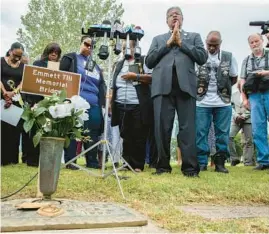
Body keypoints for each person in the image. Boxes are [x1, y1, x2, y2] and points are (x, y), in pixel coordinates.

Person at [145, 6, 207, 176]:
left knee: (187, 129)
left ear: (182, 18)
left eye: (177, 14)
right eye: (171, 15)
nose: (174, 16)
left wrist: (181, 43)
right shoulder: (158, 39)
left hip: (185, 88)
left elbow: (202, 57)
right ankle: (162, 167)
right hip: (162, 89)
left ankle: (190, 168)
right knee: (162, 129)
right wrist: (168, 44)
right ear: (166, 21)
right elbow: (149, 61)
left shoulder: (194, 37)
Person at [60, 36, 106, 170]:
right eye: (86, 44)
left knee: (92, 131)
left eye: (92, 46)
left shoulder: (96, 66)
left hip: (94, 103)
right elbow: (62, 77)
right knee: (73, 130)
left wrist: (103, 103)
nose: (88, 48)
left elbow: (101, 85)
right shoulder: (70, 58)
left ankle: (92, 161)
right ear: (80, 44)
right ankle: (71, 161)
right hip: (75, 100)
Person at [196, 31, 238, 173]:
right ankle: (201, 162)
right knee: (201, 132)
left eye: (215, 45)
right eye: (209, 44)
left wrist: (222, 89)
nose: (212, 48)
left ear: (221, 43)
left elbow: (234, 78)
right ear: (205, 42)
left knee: (222, 134)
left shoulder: (229, 57)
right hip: (202, 101)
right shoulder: (199, 56)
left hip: (223, 102)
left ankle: (220, 163)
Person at [110, 39, 154, 172]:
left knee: (139, 135)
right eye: (123, 49)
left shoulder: (143, 61)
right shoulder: (118, 64)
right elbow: (113, 84)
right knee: (125, 134)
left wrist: (136, 76)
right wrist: (111, 102)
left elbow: (152, 77)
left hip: (138, 104)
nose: (124, 51)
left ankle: (137, 165)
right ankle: (126, 163)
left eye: (127, 48)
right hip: (121, 103)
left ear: (134, 49)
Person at [23, 42, 62, 167]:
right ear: (47, 52)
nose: (53, 55)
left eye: (56, 53)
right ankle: (32, 160)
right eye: (52, 52)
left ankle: (44, 160)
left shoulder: (59, 67)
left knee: (47, 131)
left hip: (50, 105)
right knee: (35, 131)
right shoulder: (37, 64)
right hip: (37, 103)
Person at [240, 33, 269, 170]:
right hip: (254, 96)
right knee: (258, 129)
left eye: (256, 41)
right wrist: (244, 99)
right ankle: (264, 161)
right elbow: (242, 81)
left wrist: (266, 73)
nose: (254, 44)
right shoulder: (246, 60)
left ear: (262, 41)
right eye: (251, 42)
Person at [1, 42, 25, 166]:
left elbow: (22, 81)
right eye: (15, 55)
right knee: (2, 129)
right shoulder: (1, 61)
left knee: (14, 129)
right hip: (1, 98)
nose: (17, 58)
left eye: (20, 57)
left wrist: (13, 93)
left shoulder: (23, 66)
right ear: (10, 51)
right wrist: (4, 92)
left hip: (16, 99)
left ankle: (12, 159)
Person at [229, 81, 255, 166]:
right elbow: (230, 106)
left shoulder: (251, 94)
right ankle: (234, 158)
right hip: (236, 119)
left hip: (248, 119)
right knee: (229, 137)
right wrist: (236, 116)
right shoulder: (234, 94)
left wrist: (244, 115)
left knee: (249, 141)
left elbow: (253, 107)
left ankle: (248, 161)